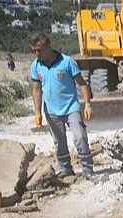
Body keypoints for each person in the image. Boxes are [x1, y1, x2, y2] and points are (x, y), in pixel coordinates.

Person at [30, 33, 95, 179]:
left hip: (71, 108)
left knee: (80, 137)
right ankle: (66, 168)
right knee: (59, 142)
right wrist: (37, 112)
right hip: (52, 111)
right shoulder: (36, 65)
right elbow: (36, 90)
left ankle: (87, 169)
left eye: (39, 50)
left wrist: (87, 105)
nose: (36, 53)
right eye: (34, 50)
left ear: (48, 47)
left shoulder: (67, 62)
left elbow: (82, 84)